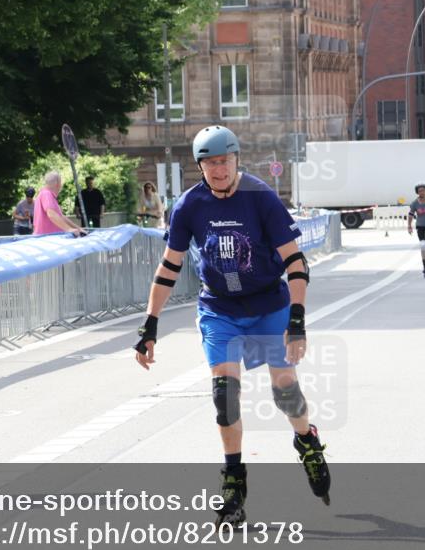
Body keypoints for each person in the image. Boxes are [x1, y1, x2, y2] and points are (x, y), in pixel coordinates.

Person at [133, 125, 330, 526]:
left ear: (237, 159)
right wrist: (149, 324)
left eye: (224, 161)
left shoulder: (261, 197)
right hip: (220, 307)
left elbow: (295, 262)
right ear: (200, 166)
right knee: (225, 396)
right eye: (210, 163)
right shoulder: (189, 205)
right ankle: (234, 480)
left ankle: (306, 440)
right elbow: (169, 266)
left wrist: (296, 320)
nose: (219, 170)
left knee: (285, 390)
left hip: (268, 305)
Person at [33, 171, 86, 236]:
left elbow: (61, 217)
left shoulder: (46, 194)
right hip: (47, 239)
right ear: (58, 184)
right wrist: (69, 229)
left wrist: (77, 228)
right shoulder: (46, 194)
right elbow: (52, 214)